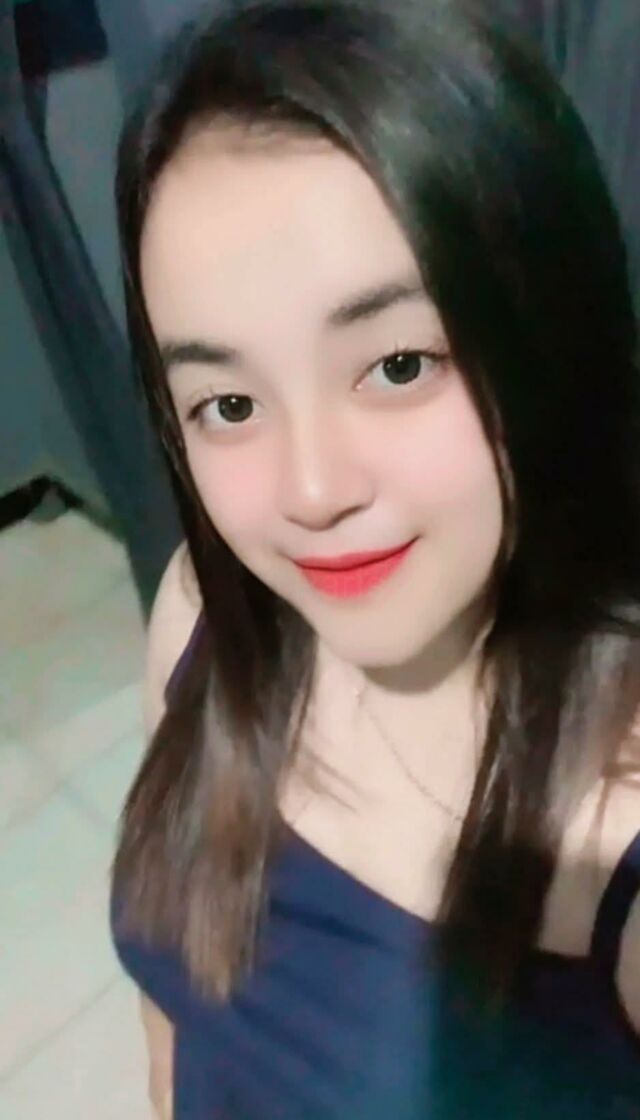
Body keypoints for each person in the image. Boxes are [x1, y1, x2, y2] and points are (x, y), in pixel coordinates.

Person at [108, 1, 640, 1116]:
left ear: (546, 329)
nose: (311, 492)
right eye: (228, 403)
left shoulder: (612, 831)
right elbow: (174, 1009)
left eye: (398, 365)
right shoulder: (203, 616)